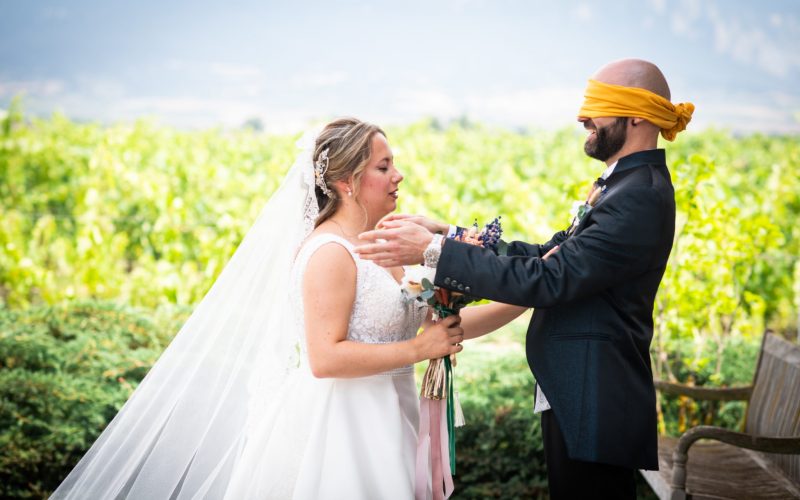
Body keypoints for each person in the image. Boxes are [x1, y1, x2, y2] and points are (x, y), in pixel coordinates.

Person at [51, 118, 465, 499]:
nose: (398, 175)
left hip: (395, 412)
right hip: (340, 425)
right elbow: (325, 357)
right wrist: (418, 350)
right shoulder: (330, 253)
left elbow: (441, 327)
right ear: (346, 181)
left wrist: (523, 296)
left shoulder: (384, 247)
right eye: (383, 166)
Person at [355, 58, 695, 499]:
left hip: (596, 394)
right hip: (580, 390)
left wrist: (433, 253)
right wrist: (451, 234)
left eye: (597, 105)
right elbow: (545, 254)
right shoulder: (620, 186)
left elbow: (550, 279)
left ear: (636, 114)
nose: (583, 118)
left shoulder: (639, 196)